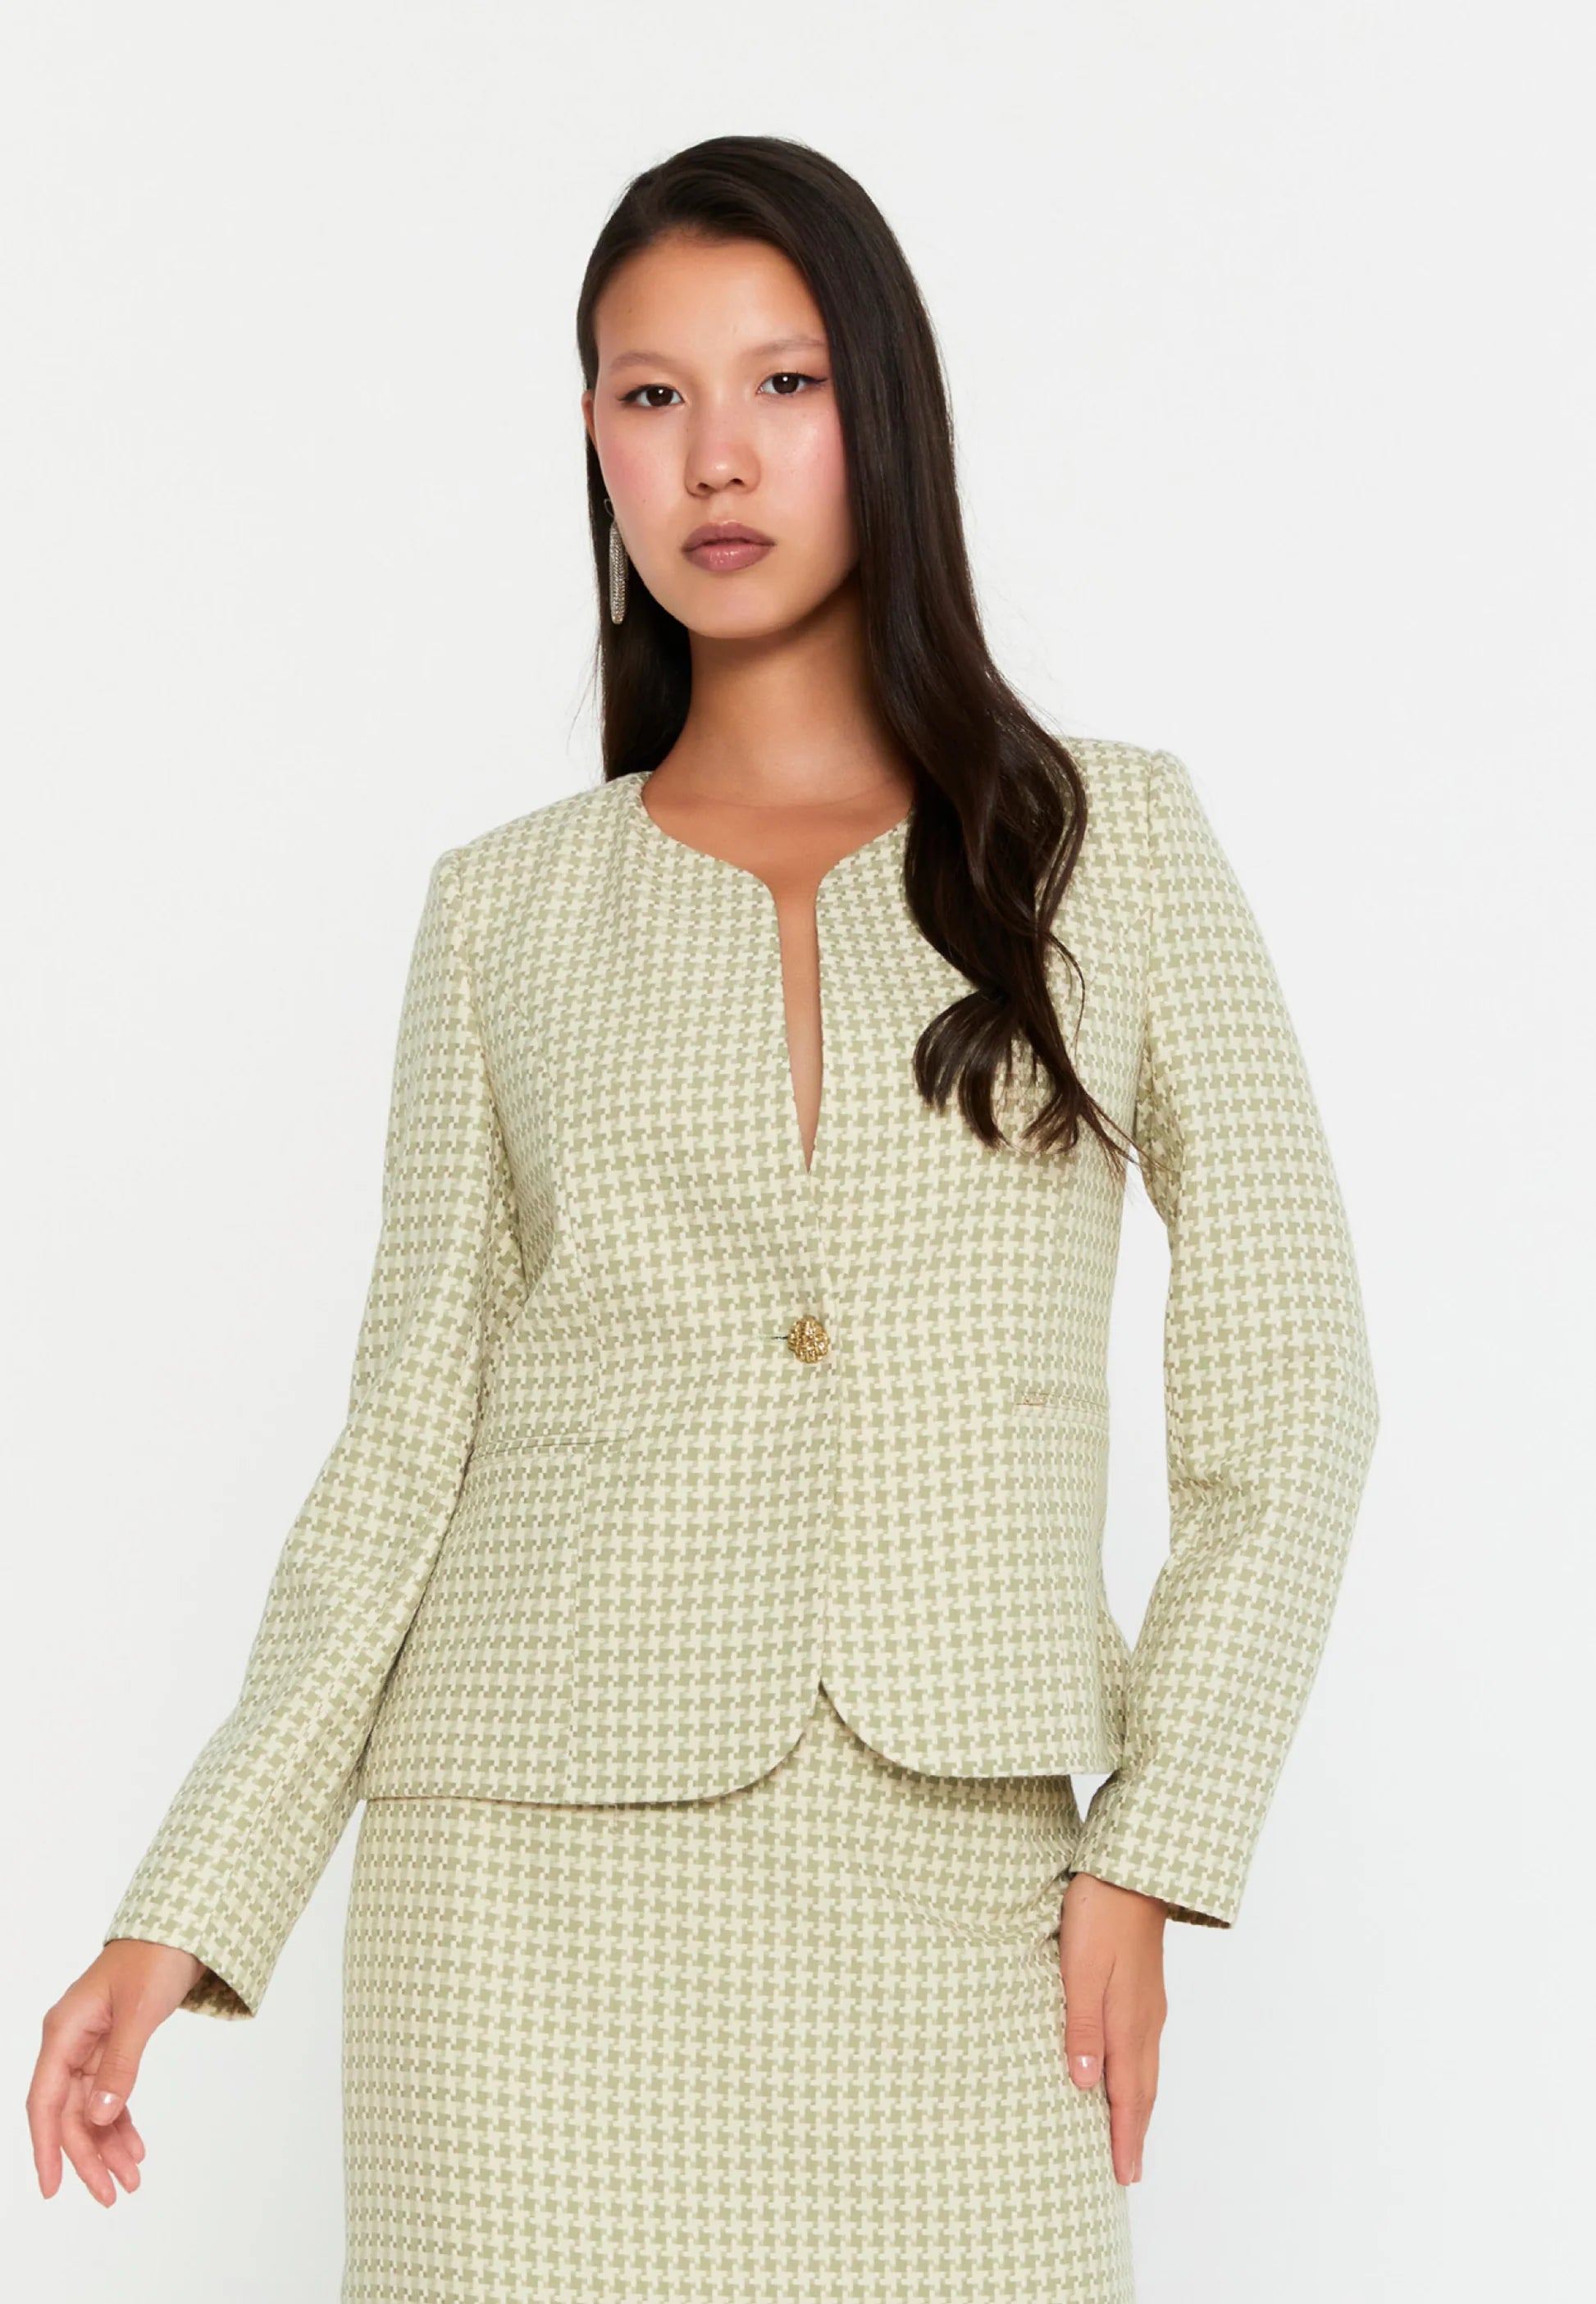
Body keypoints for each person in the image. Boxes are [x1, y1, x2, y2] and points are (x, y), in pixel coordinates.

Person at [28, 135, 1379, 2303]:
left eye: (782, 383)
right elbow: (400, 1450)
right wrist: (188, 1903)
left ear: (882, 413)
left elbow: (1294, 1384)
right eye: (651, 395)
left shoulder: (1104, 842)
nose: (714, 457)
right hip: (524, 1893)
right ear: (594, 436)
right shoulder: (502, 913)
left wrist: (1154, 1843)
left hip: (957, 1875)